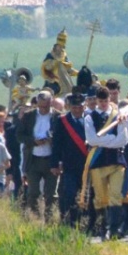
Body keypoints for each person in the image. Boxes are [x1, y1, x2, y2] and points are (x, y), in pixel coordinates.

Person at [83, 86, 128, 240]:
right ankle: (104, 229)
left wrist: (105, 141)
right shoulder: (89, 118)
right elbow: (91, 140)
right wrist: (111, 140)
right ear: (96, 100)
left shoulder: (119, 116)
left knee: (116, 195)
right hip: (98, 161)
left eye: (106, 100)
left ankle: (114, 230)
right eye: (100, 101)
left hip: (116, 161)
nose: (103, 104)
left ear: (110, 99)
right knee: (100, 198)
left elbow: (123, 140)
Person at [18, 90, 60, 220]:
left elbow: (62, 138)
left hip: (50, 160)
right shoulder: (28, 116)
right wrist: (33, 141)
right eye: (41, 106)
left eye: (46, 106)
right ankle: (34, 219)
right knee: (33, 192)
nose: (43, 109)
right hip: (33, 159)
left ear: (51, 103)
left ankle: (50, 220)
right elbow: (19, 135)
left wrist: (52, 139)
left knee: (50, 193)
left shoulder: (57, 117)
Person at [52, 93, 90, 227]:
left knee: (87, 195)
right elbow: (56, 144)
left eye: (80, 107)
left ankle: (87, 223)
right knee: (69, 193)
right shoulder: (62, 121)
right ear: (69, 107)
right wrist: (55, 164)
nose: (77, 110)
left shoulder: (90, 119)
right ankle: (70, 222)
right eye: (74, 108)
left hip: (87, 164)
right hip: (69, 165)